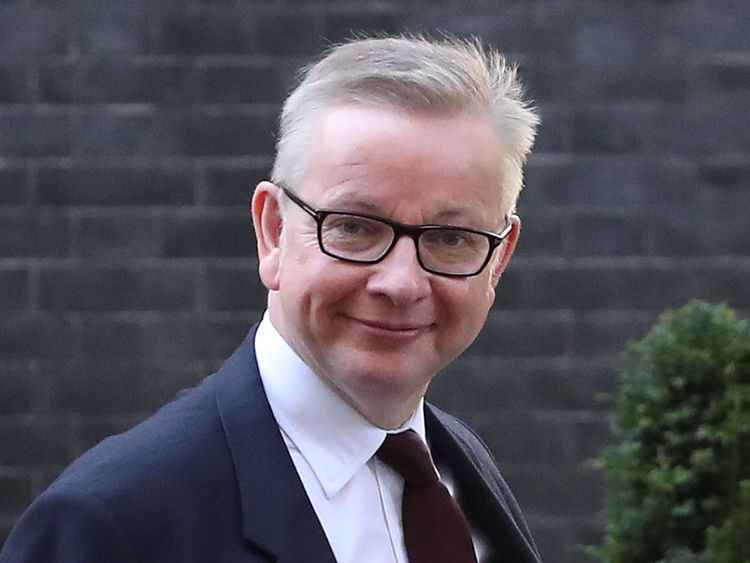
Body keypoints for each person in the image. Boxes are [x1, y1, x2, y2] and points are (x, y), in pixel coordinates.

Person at [1, 35, 541, 563]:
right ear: (274, 231)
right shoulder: (112, 525)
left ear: (498, 258)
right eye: (353, 227)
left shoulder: (460, 466)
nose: (399, 283)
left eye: (451, 239)